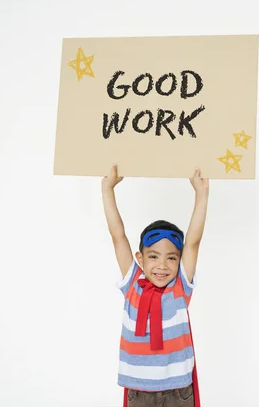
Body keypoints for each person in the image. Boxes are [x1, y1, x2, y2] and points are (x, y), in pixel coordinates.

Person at [102, 164, 209, 407]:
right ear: (140, 259)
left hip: (178, 391)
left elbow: (193, 242)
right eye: (153, 256)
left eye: (171, 257)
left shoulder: (180, 288)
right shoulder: (133, 284)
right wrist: (108, 189)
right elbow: (118, 236)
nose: (162, 265)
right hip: (139, 391)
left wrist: (201, 195)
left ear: (179, 260)